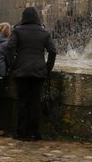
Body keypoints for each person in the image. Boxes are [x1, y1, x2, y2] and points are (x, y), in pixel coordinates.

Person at [6, 7, 56, 141]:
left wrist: (13, 64)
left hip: (21, 71)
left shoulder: (17, 31)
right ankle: (34, 133)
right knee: (34, 102)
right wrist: (47, 68)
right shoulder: (44, 33)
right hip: (38, 72)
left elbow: (9, 47)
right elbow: (53, 51)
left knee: (22, 102)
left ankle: (21, 133)